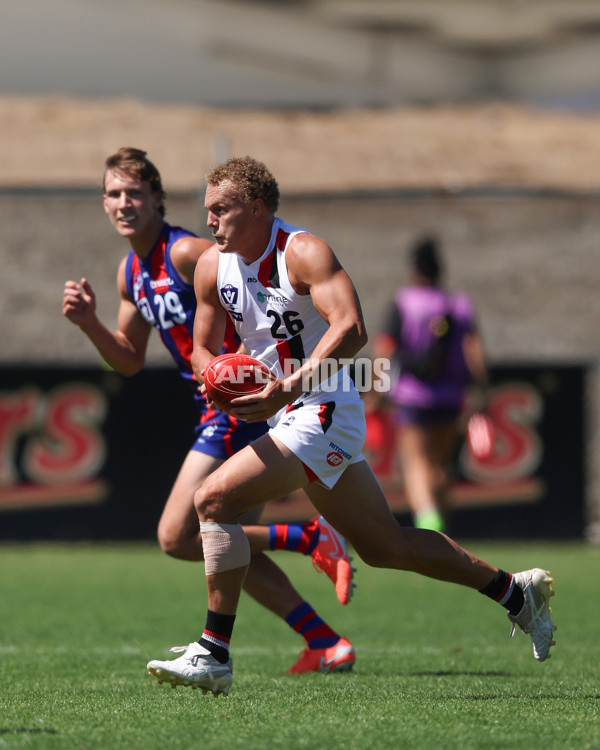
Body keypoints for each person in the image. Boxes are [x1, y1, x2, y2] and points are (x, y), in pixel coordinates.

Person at [145, 156, 557, 697]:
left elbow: (353, 329)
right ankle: (513, 593)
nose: (210, 221)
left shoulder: (303, 252)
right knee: (385, 547)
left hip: (323, 410)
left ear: (257, 207)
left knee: (212, 500)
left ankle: (213, 654)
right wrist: (218, 379)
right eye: (207, 210)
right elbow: (200, 348)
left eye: (221, 210)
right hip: (287, 410)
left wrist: (290, 386)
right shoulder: (210, 266)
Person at [62, 147, 356, 675]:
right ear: (103, 204)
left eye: (134, 193)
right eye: (113, 194)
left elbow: (247, 282)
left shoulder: (190, 253)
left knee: (181, 534)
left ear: (157, 199)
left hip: (238, 406)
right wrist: (90, 324)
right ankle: (323, 640)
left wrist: (256, 377)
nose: (123, 203)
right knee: (219, 538)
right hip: (216, 405)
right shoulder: (130, 271)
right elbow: (128, 360)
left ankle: (303, 542)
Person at [372, 236, 489, 533]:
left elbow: (384, 348)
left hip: (413, 398)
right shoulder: (459, 304)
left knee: (415, 464)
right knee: (439, 466)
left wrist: (376, 389)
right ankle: (445, 529)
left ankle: (428, 520)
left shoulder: (403, 302)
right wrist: (482, 389)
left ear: (415, 271)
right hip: (451, 398)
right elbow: (473, 350)